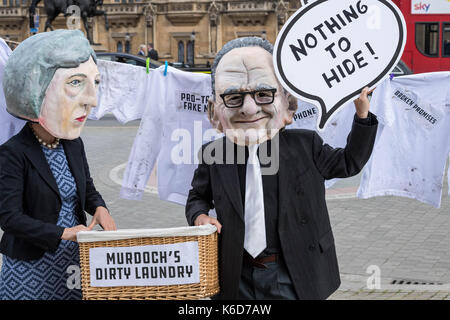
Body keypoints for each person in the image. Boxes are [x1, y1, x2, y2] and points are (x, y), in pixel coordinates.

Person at [185, 37, 378, 300]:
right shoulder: (214, 153)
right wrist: (199, 216)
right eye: (233, 97)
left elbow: (349, 162)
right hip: (236, 274)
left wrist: (362, 116)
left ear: (289, 106)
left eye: (263, 94)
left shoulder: (306, 145)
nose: (249, 108)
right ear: (214, 113)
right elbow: (197, 196)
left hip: (293, 272)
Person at [0, 30, 116, 300]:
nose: (92, 100)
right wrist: (62, 233)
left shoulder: (73, 143)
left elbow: (86, 188)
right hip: (29, 267)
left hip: (71, 263)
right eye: (76, 82)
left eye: (95, 83)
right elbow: (9, 218)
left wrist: (100, 208)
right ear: (34, 89)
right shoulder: (12, 153)